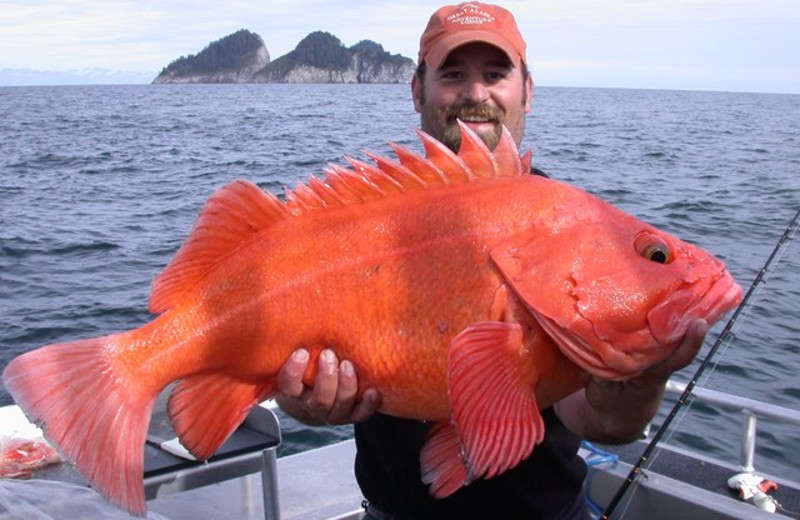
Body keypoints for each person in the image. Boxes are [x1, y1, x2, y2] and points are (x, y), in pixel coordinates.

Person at [276, 3, 709, 519]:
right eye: (453, 74)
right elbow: (285, 341)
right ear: (418, 90)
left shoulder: (568, 227)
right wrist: (301, 400)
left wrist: (644, 375)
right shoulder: (360, 221)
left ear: (527, 89)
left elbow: (601, 420)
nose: (476, 94)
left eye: (495, 74)